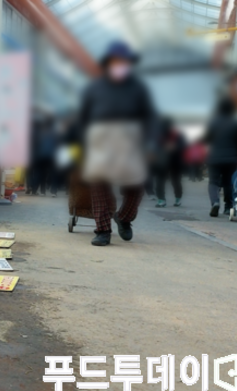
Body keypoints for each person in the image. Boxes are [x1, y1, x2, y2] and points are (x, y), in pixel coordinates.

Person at [78, 40, 158, 247]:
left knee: (136, 186)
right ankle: (103, 231)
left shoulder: (139, 89)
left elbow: (150, 117)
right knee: (99, 185)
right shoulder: (94, 88)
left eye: (124, 61)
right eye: (116, 61)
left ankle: (124, 217)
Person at [203, 96, 237, 216]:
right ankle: (228, 207)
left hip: (214, 158)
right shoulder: (235, 123)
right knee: (228, 182)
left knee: (213, 182)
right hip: (231, 158)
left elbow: (206, 139)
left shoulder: (213, 122)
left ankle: (215, 202)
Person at [153, 118, 186, 207]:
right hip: (173, 161)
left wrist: (173, 147)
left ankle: (162, 199)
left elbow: (153, 147)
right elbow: (183, 145)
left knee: (162, 181)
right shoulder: (177, 134)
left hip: (168, 161)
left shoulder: (160, 135)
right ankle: (177, 198)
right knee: (174, 181)